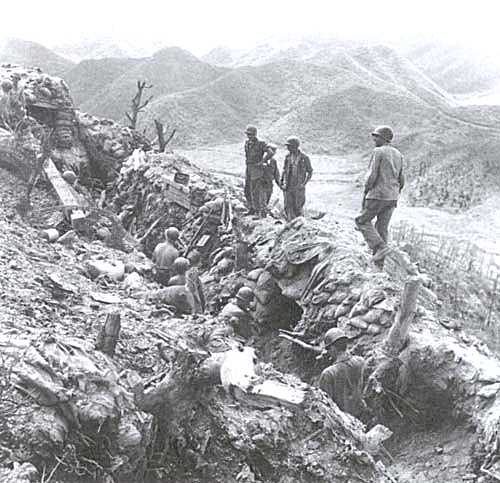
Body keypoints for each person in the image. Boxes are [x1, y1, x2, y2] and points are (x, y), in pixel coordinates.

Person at [355, 125, 405, 268]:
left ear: (383, 138)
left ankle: (380, 247)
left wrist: (367, 190)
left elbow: (372, 175)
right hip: (392, 197)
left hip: (378, 195)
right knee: (381, 228)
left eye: (376, 136)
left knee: (361, 221)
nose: (374, 139)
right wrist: (394, 192)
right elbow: (402, 180)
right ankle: (379, 263)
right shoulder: (398, 154)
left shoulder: (378, 152)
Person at [318, 328, 367, 419]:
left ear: (332, 348)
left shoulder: (328, 374)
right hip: (362, 417)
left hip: (343, 422)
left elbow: (325, 406)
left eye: (328, 349)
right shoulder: (361, 361)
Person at [280, 136, 313, 220]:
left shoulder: (304, 158)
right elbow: (284, 169)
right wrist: (282, 180)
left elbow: (310, 171)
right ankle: (289, 222)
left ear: (294, 146)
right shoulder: (287, 157)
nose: (287, 148)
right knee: (288, 205)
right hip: (288, 184)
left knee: (298, 205)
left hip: (298, 185)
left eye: (289, 146)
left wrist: (304, 183)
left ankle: (298, 223)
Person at [244, 125, 273, 217]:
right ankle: (251, 208)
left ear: (255, 134)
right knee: (247, 190)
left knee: (255, 191)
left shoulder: (261, 144)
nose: (249, 136)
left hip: (257, 170)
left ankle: (257, 211)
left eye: (251, 134)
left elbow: (270, 152)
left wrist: (262, 162)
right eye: (248, 134)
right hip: (249, 169)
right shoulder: (247, 143)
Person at [261, 143, 281, 216]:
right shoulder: (260, 160)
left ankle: (264, 216)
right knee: (262, 201)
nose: (273, 153)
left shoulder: (273, 161)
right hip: (261, 184)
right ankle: (261, 216)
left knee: (267, 200)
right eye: (272, 151)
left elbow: (276, 174)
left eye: (274, 151)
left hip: (269, 184)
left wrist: (280, 185)